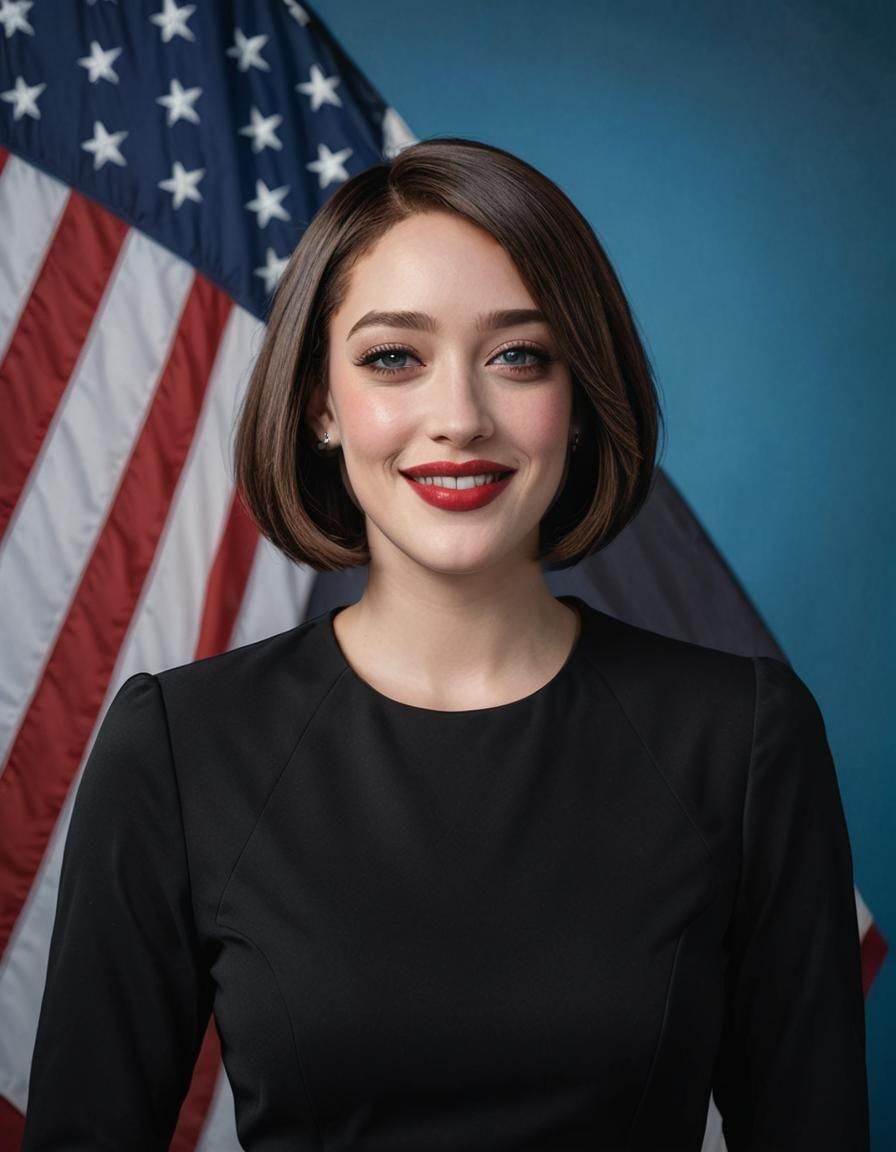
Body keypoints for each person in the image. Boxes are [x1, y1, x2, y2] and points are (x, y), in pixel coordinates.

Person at [23, 137, 869, 1151]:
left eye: (518, 355)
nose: (459, 417)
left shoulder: (741, 741)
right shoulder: (179, 747)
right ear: (318, 403)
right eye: (394, 358)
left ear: (579, 391)